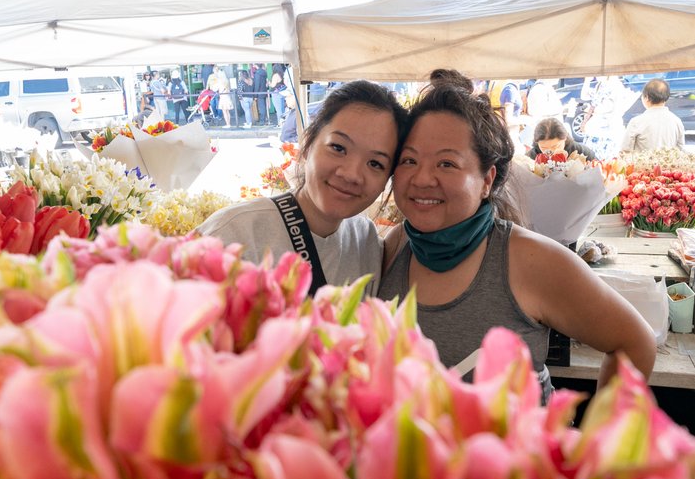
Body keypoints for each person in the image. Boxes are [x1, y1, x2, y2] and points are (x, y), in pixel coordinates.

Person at [378, 69, 656, 395]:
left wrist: (600, 439)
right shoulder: (397, 245)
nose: (422, 179)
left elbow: (635, 343)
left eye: (446, 164)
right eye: (409, 160)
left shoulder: (532, 260)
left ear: (486, 180)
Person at [198, 80, 409, 293]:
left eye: (375, 163)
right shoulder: (232, 237)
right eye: (338, 147)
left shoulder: (365, 242)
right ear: (307, 144)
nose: (351, 174)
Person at [619, 78, 684, 154]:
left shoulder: (636, 122)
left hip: (642, 165)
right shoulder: (676, 121)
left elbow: (625, 151)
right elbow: (680, 148)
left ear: (646, 98)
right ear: (666, 98)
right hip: (668, 165)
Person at [581, 75, 631, 160]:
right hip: (595, 130)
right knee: (593, 162)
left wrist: (594, 109)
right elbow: (584, 96)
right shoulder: (600, 84)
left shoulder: (615, 86)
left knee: (606, 162)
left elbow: (610, 107)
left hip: (608, 132)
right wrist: (587, 81)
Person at [530, 117, 597, 159]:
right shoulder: (531, 157)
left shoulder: (581, 152)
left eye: (555, 146)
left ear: (565, 138)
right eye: (544, 148)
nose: (550, 152)